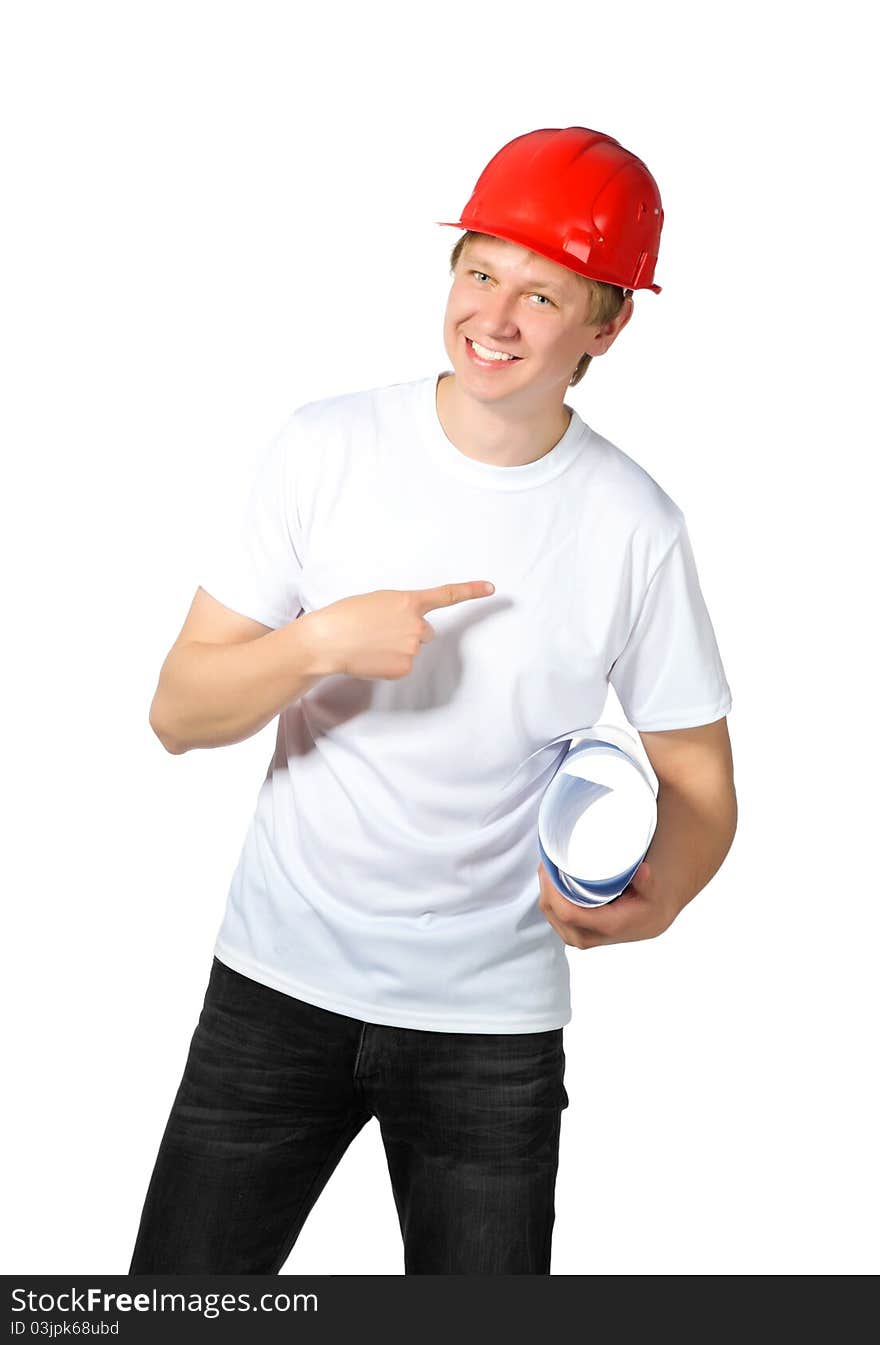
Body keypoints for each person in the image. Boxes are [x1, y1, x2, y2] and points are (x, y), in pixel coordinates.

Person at [129, 126, 737, 1276]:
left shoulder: (632, 527)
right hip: (274, 986)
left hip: (490, 1029)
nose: (494, 319)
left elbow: (700, 785)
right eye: (478, 271)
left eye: (542, 294)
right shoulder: (323, 449)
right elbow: (178, 711)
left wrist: (655, 904)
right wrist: (316, 644)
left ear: (607, 325)